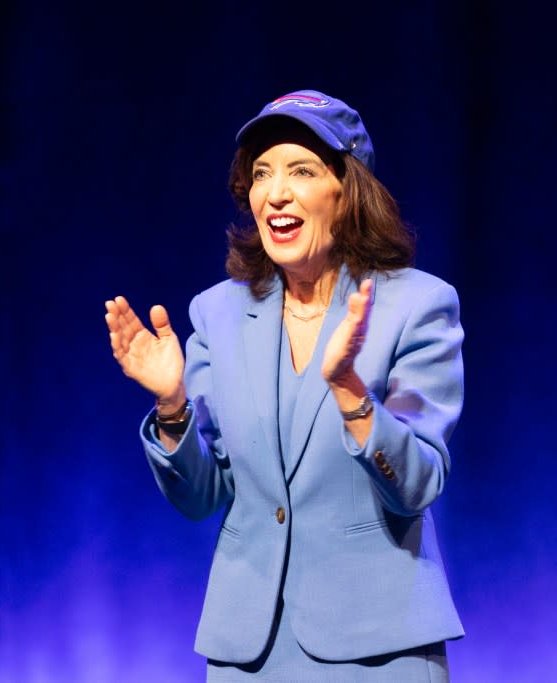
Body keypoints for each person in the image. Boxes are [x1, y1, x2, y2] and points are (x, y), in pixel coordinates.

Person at [105, 89, 464, 681]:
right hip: (250, 650)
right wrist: (172, 406)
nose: (275, 192)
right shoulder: (218, 314)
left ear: (347, 190)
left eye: (301, 170)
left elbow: (419, 483)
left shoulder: (416, 304)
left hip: (378, 646)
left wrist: (351, 392)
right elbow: (202, 495)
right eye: (262, 174)